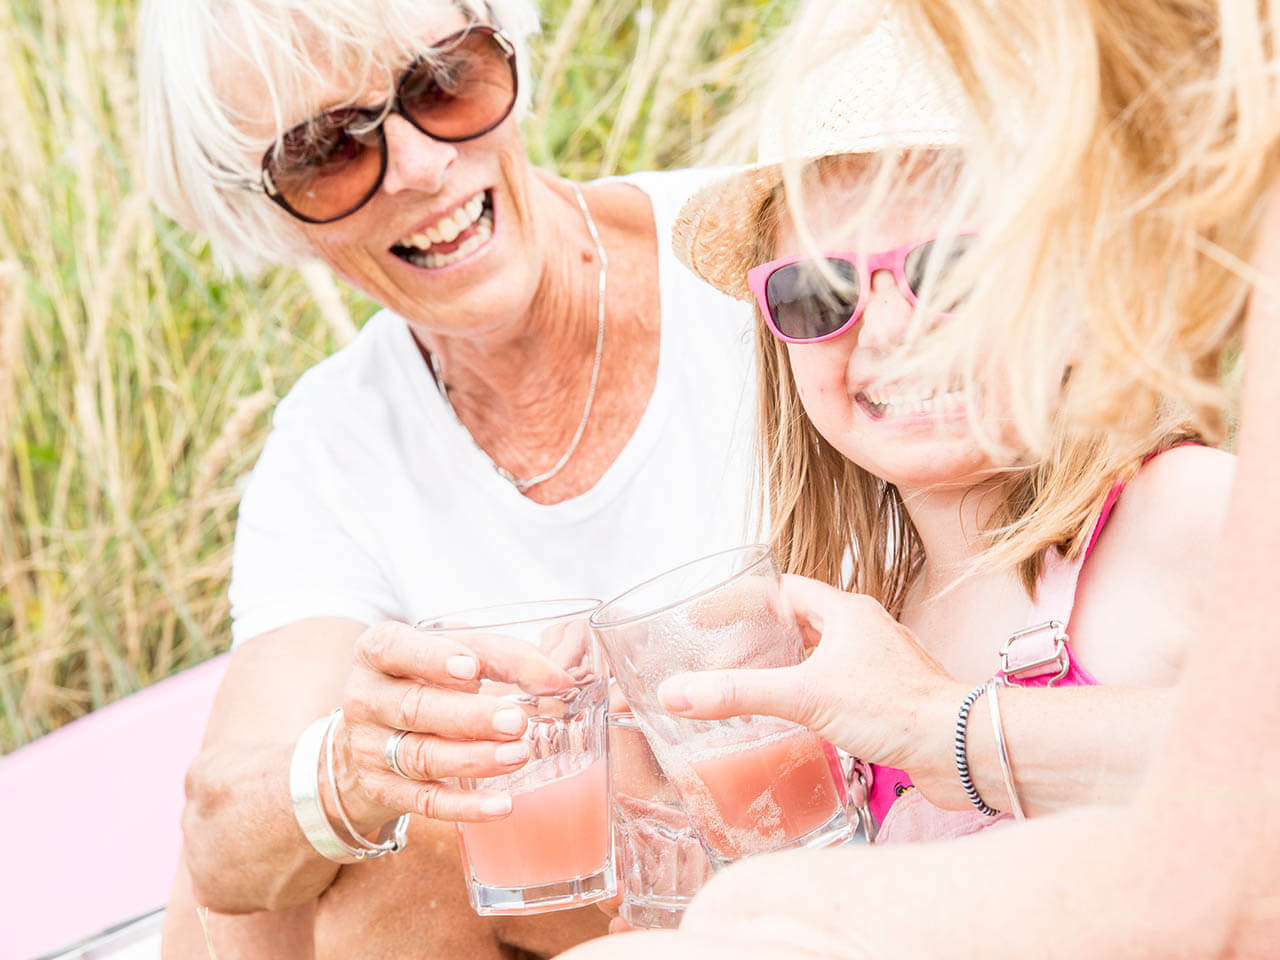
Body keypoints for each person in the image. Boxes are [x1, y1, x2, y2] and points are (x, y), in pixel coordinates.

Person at [561, 0, 1280, 955]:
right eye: (821, 290)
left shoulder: (1182, 513)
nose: (891, 333)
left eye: (957, 274)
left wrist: (937, 723)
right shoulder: (870, 608)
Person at [137, 0, 756, 956]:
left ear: (510, 57)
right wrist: (356, 767)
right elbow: (222, 842)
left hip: (857, 861)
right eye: (328, 149)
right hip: (610, 916)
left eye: (443, 80)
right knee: (281, 878)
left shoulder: (754, 255)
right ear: (266, 211)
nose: (423, 166)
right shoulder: (333, 442)